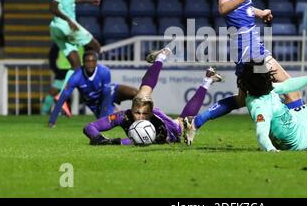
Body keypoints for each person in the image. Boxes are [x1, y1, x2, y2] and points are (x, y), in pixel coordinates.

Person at [183, 0, 303, 144]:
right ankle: (298, 134)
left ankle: (195, 122)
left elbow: (242, 9)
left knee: (241, 99)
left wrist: (260, 12)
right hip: (247, 45)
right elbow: (223, 8)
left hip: (245, 44)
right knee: (291, 89)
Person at [83, 48, 223, 145]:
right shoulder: (123, 116)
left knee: (183, 122)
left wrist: (111, 142)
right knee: (143, 92)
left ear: (150, 113)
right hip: (148, 111)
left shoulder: (159, 129)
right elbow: (89, 127)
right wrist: (97, 137)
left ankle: (207, 80)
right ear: (131, 110)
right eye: (137, 112)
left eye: (144, 113)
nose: (140, 117)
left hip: (170, 130)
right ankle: (161, 57)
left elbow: (135, 142)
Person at [49, 0, 102, 98]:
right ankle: (90, 79)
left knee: (76, 67)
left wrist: (88, 1)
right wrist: (68, 21)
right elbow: (53, 6)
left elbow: (71, 0)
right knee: (95, 46)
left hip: (56, 29)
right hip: (64, 26)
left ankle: (60, 95)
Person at [48, 50, 138, 127]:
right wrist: (52, 121)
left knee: (135, 93)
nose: (90, 64)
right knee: (113, 122)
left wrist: (103, 116)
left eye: (93, 61)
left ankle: (143, 116)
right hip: (95, 103)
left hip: (109, 94)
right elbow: (63, 97)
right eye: (87, 61)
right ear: (83, 63)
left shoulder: (104, 71)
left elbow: (107, 93)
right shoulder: (76, 76)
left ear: (96, 62)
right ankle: (120, 114)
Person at [41, 43, 83, 116]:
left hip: (79, 71)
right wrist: (56, 70)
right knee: (53, 93)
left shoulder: (82, 41)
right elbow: (52, 56)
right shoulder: (60, 42)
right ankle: (43, 113)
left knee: (84, 93)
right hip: (63, 72)